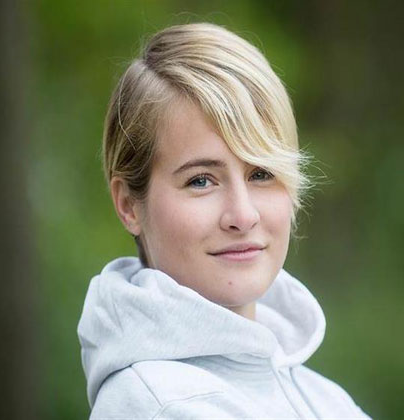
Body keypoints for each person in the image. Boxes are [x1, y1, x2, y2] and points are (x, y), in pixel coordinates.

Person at [77, 22, 370, 419]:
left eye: (262, 173)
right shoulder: (158, 405)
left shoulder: (325, 398)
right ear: (129, 205)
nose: (243, 215)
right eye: (200, 180)